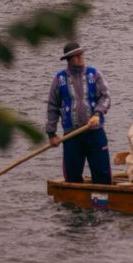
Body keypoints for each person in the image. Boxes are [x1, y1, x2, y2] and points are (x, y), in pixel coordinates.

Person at [46, 41, 112, 184]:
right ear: (69, 60)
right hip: (72, 135)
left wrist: (97, 113)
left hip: (95, 132)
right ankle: (74, 204)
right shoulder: (59, 79)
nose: (80, 58)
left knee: (102, 173)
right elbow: (52, 106)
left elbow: (105, 97)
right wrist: (51, 133)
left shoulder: (94, 74)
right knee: (72, 176)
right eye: (76, 56)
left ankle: (103, 202)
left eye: (81, 54)